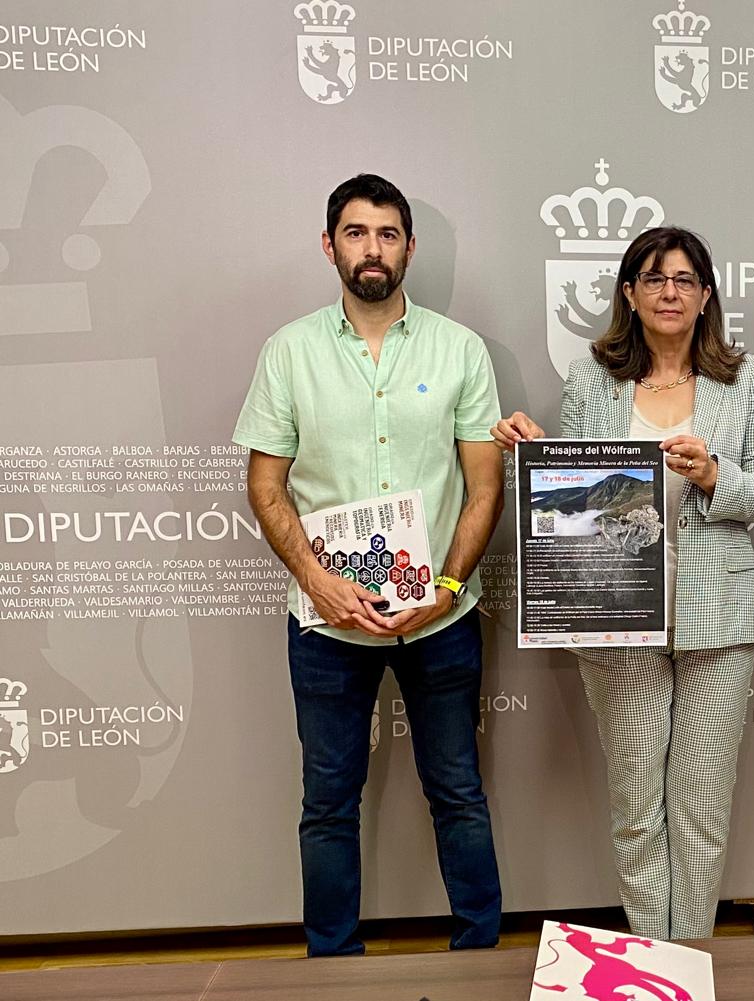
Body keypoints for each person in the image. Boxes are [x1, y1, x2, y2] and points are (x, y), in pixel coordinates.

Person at [235, 174, 504, 956]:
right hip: (327, 625)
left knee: (458, 792)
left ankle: (479, 956)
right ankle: (332, 965)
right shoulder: (288, 351)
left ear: (409, 247)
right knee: (327, 802)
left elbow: (485, 487)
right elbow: (265, 486)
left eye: (388, 234)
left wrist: (446, 587)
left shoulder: (460, 349)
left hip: (440, 620)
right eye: (356, 233)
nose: (373, 249)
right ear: (330, 246)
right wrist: (317, 580)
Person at [493, 225, 754, 940]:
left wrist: (713, 474)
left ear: (706, 295)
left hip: (718, 618)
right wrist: (535, 457)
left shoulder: (742, 378)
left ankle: (692, 956)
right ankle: (654, 962)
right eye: (654, 278)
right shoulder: (592, 379)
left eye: (684, 279)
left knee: (702, 808)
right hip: (618, 618)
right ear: (629, 292)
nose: (669, 292)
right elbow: (572, 494)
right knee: (636, 808)